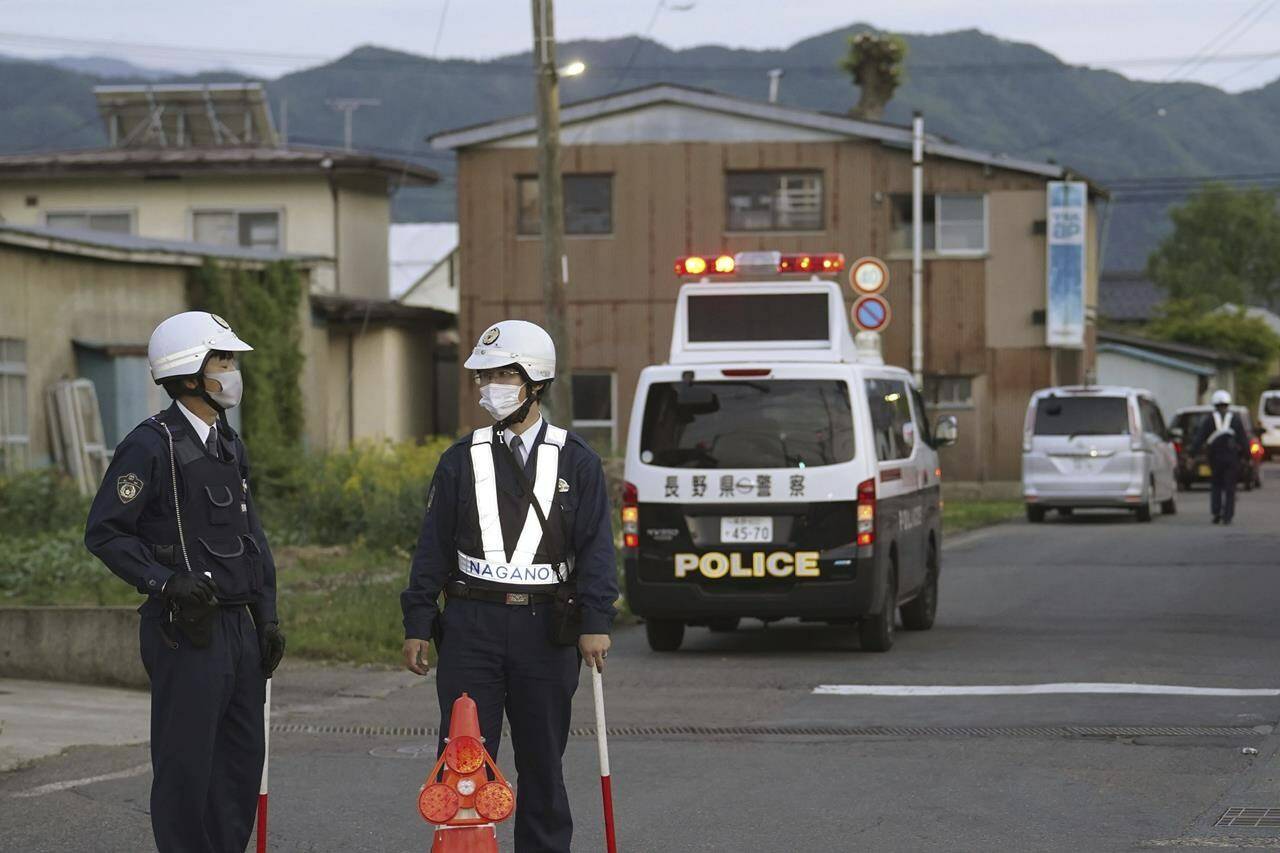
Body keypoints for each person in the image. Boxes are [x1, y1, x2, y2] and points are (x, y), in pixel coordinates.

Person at [401, 319, 618, 853]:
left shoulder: (577, 460)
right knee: (463, 757)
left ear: (535, 382)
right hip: (471, 625)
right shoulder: (460, 458)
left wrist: (596, 622)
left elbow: (596, 548)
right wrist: (418, 623)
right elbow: (431, 547)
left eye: (502, 374)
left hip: (546, 629)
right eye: (484, 376)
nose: (488, 387)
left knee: (543, 761)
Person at [85, 311, 286, 853]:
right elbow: (105, 533)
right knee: (186, 767)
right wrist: (163, 582)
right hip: (186, 630)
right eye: (224, 360)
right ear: (190, 375)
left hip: (239, 630)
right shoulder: (150, 446)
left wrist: (266, 617)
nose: (233, 371)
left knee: (241, 764)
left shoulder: (228, 445)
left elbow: (253, 541)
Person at [1190, 389, 1250, 526]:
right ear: (1228, 404)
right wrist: (1248, 457)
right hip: (1231, 459)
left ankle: (1216, 513)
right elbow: (1243, 439)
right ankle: (1228, 516)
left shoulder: (1209, 420)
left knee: (1216, 485)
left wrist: (1192, 454)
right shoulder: (1235, 419)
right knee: (1230, 488)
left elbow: (1199, 439)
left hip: (1215, 459)